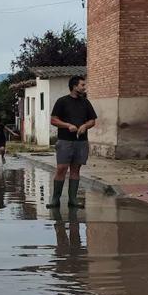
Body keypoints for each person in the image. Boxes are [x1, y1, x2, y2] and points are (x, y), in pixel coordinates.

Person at [48, 75, 97, 208]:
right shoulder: (62, 101)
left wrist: (85, 126)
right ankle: (55, 199)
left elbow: (92, 120)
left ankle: (73, 200)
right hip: (65, 141)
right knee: (61, 168)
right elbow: (53, 120)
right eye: (82, 85)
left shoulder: (85, 102)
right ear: (74, 86)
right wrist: (67, 125)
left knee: (76, 169)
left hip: (81, 142)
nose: (84, 87)